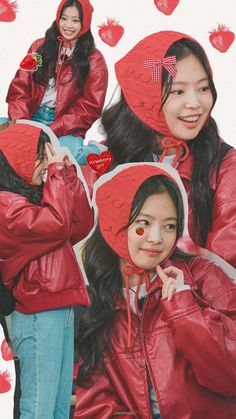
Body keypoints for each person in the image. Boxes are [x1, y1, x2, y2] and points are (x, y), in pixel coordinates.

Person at [74, 163, 236, 419]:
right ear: (115, 225)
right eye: (143, 225)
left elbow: (230, 377)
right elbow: (96, 407)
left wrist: (184, 308)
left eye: (169, 226)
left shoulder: (205, 278)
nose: (156, 238)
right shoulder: (97, 303)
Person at [100, 30, 236, 268]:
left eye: (203, 88)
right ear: (147, 98)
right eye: (178, 91)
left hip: (190, 299)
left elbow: (225, 269)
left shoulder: (226, 167)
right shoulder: (105, 159)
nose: (195, 103)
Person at [0, 123, 94, 418]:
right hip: (38, 311)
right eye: (41, 156)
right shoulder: (5, 204)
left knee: (56, 406)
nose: (47, 162)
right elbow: (56, 224)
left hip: (60, 305)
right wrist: (56, 174)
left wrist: (68, 175)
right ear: (19, 158)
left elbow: (80, 224)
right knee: (39, 406)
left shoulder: (38, 198)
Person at [6, 0, 108, 165]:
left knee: (70, 156)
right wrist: (23, 125)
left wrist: (53, 129)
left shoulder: (94, 60)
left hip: (65, 124)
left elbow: (89, 108)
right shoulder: (39, 47)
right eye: (64, 18)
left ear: (85, 23)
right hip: (32, 115)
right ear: (57, 18)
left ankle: (97, 149)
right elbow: (20, 87)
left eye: (75, 20)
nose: (68, 25)